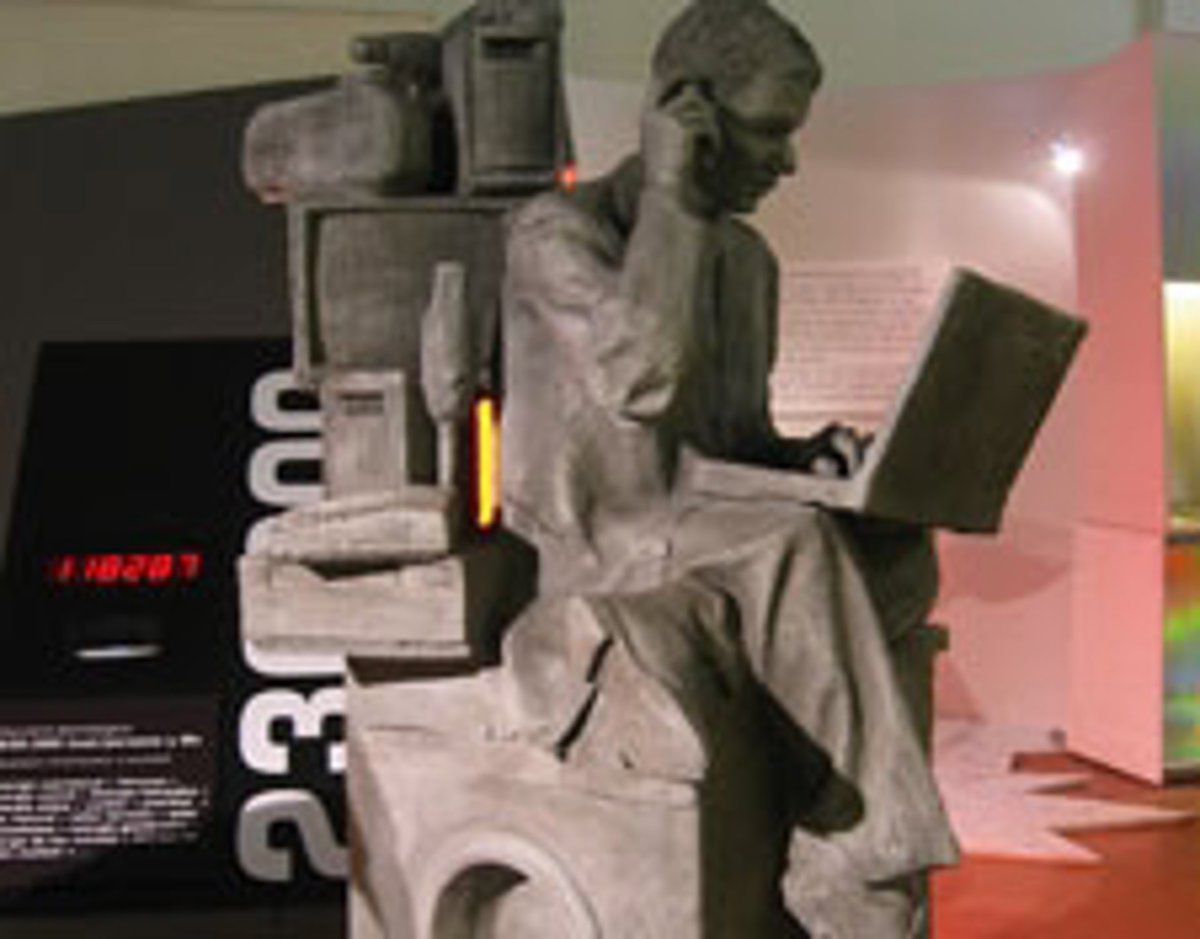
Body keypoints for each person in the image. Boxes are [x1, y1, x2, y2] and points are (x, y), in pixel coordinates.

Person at [498, 0, 958, 934]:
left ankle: (823, 813)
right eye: (770, 131)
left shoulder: (748, 261)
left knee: (898, 550)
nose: (787, 162)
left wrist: (809, 462)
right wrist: (673, 197)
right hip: (602, 539)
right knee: (790, 544)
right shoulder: (557, 234)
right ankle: (857, 861)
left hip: (694, 515)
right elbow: (640, 375)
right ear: (688, 113)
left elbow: (730, 438)